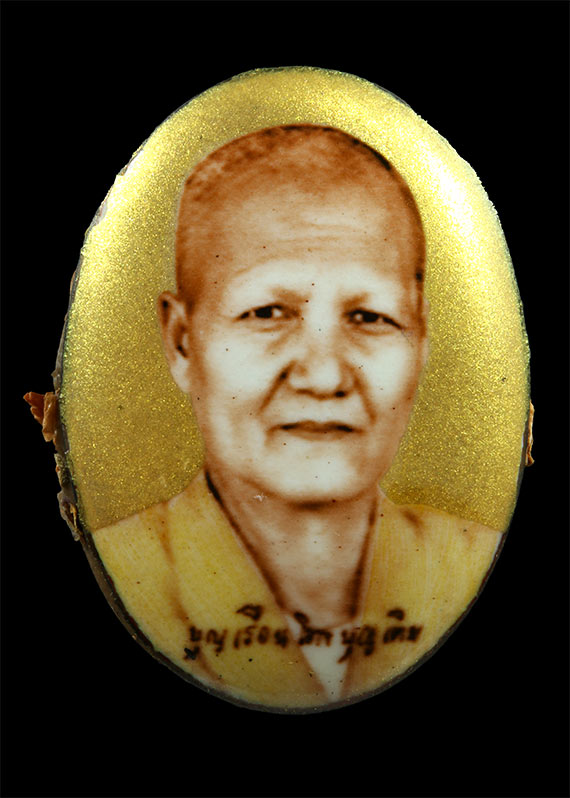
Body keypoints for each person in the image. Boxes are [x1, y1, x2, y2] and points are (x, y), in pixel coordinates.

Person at [93, 126, 502, 710]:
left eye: (370, 317)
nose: (324, 376)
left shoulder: (470, 566)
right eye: (267, 313)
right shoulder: (127, 574)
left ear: (421, 338)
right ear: (182, 342)